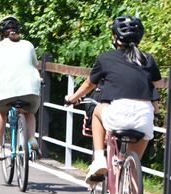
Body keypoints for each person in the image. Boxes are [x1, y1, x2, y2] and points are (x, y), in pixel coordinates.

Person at [65, 15, 161, 184]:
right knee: (131, 170)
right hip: (145, 116)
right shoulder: (148, 59)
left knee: (96, 112)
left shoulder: (106, 58)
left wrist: (72, 99)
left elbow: (89, 84)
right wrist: (157, 111)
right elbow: (154, 86)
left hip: (117, 112)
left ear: (115, 38)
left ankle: (99, 158)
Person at [0, 16, 41, 160]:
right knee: (29, 111)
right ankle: (31, 139)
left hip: (4, 92)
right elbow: (35, 65)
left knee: (0, 110)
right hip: (30, 90)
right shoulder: (28, 45)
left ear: (0, 33)